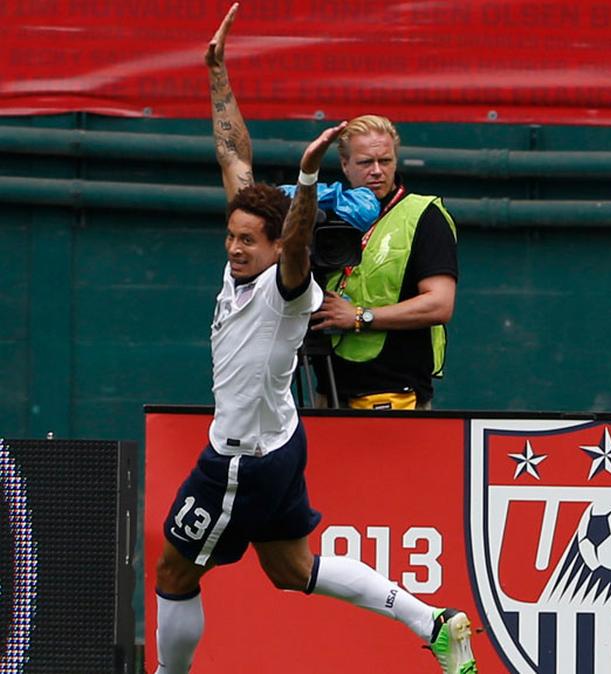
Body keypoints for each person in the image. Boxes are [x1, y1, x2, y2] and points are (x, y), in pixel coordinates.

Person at [150, 11, 477, 674]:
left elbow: (297, 244)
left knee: (172, 572)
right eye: (232, 236)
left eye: (249, 240)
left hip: (240, 460)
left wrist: (306, 178)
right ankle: (432, 622)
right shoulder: (247, 253)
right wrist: (218, 77)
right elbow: (233, 154)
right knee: (290, 567)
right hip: (278, 442)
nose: (235, 247)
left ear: (275, 246)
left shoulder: (285, 287)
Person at [207, 3, 458, 411]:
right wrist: (218, 76)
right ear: (343, 166)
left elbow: (440, 304)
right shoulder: (322, 210)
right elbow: (235, 164)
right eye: (365, 163)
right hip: (325, 394)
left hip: (394, 398)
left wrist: (360, 316)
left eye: (386, 161)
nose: (377, 172)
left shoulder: (422, 214)